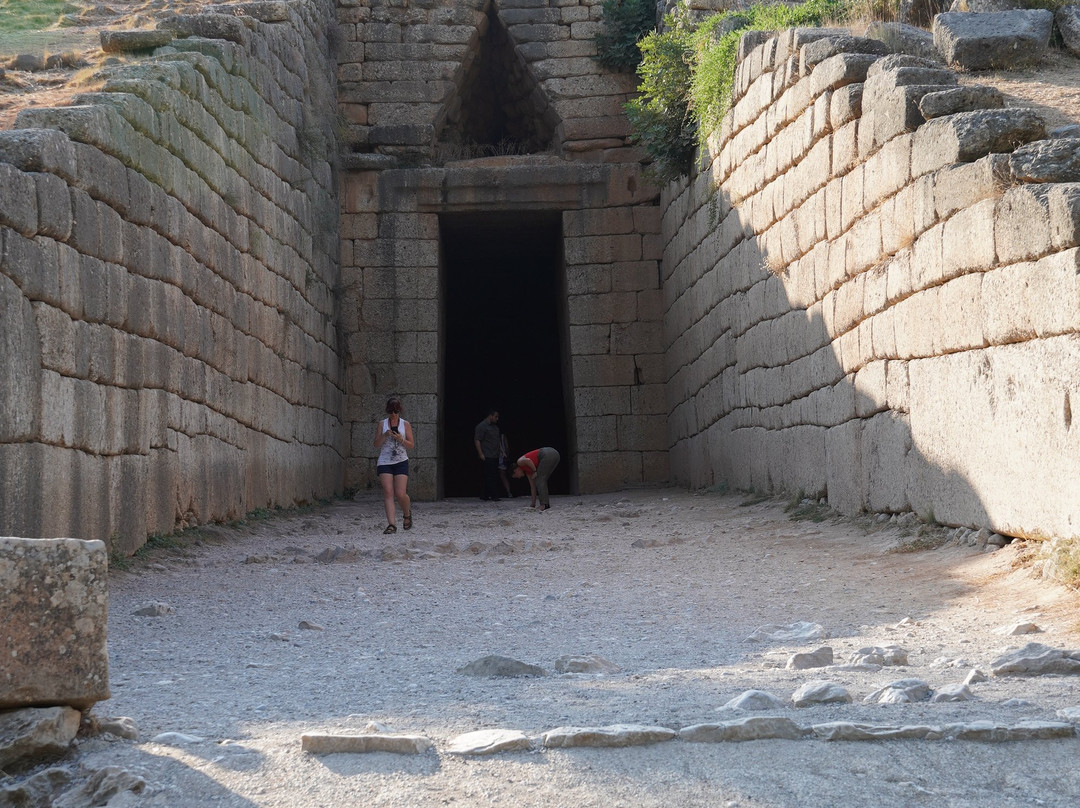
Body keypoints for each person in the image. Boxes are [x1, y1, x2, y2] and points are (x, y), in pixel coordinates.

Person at [373, 396, 414, 533]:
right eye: (391, 412)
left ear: (399, 411)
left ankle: (407, 514)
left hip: (401, 460)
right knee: (388, 492)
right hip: (385, 461)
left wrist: (400, 439)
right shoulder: (382, 424)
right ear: (387, 411)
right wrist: (385, 435)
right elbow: (376, 444)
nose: (393, 414)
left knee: (400, 493)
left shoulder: (405, 424)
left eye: (396, 412)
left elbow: (411, 445)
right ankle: (392, 524)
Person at [512, 447, 560, 511]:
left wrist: (534, 471)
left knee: (539, 479)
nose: (518, 477)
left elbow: (528, 460)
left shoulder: (519, 462)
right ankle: (545, 504)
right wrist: (533, 504)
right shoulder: (528, 472)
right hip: (555, 454)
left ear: (515, 470)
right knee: (541, 479)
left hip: (547, 454)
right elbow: (533, 487)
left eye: (516, 476)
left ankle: (544, 505)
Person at [473, 409, 501, 501]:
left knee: (493, 475)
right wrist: (480, 453)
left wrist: (502, 452)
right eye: (495, 416)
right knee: (489, 476)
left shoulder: (495, 427)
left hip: (495, 454)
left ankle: (484, 494)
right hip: (487, 454)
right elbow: (477, 440)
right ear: (490, 416)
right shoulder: (482, 426)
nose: (497, 419)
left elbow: (497, 441)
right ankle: (493, 495)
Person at [497, 433, 513, 498]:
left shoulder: (502, 436)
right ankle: (508, 492)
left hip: (501, 457)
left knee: (502, 474)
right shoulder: (501, 436)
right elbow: (507, 447)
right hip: (498, 456)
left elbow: (506, 447)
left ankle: (508, 492)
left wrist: (506, 455)